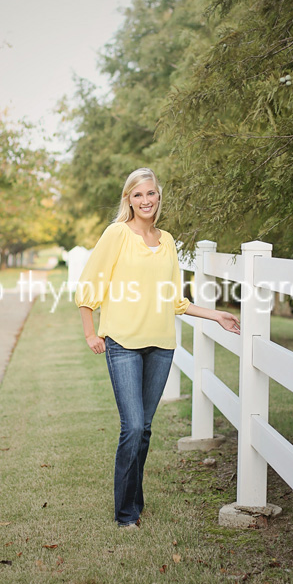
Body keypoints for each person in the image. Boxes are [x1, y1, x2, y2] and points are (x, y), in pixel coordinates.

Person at [75, 167, 240, 529]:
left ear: (159, 198)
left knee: (145, 428)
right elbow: (90, 283)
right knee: (132, 426)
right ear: (128, 200)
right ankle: (125, 514)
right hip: (122, 342)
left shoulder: (166, 240)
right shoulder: (117, 234)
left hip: (161, 345)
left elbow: (174, 299)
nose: (145, 201)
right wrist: (91, 331)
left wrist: (216, 316)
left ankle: (135, 500)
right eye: (138, 195)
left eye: (151, 194)